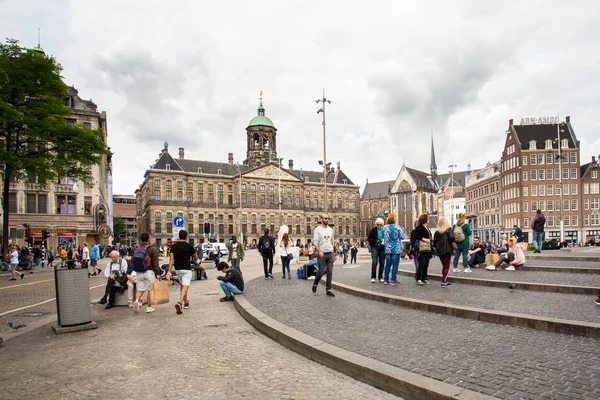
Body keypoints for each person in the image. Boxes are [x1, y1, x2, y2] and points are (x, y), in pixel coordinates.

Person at [166, 230, 197, 314]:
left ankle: (186, 303)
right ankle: (179, 302)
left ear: (179, 236)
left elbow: (171, 259)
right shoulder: (189, 246)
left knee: (183, 286)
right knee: (185, 286)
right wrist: (194, 260)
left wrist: (169, 271)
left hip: (177, 269)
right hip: (187, 269)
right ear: (186, 236)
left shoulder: (174, 247)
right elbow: (196, 257)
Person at [130, 232, 162, 313]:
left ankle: (137, 301)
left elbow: (132, 260)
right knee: (150, 290)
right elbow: (155, 263)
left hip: (139, 272)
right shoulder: (152, 249)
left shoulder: (136, 249)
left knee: (140, 289)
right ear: (148, 239)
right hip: (149, 272)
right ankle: (149, 306)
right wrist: (158, 274)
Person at [311, 214, 335, 297]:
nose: (327, 219)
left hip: (330, 253)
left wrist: (333, 251)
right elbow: (315, 242)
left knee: (330, 272)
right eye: (325, 218)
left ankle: (328, 290)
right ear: (321, 219)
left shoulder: (331, 230)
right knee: (321, 271)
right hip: (322, 254)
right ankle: (315, 283)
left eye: (328, 218)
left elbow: (332, 241)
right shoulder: (317, 230)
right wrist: (319, 251)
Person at [382, 213, 405, 285]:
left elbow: (382, 236)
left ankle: (386, 279)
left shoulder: (385, 227)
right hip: (396, 249)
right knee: (395, 265)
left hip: (388, 249)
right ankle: (393, 279)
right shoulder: (397, 227)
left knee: (388, 264)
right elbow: (402, 236)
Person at [433, 217, 455, 287]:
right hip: (447, 250)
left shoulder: (437, 232)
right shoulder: (449, 230)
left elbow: (434, 243)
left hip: (439, 250)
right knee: (447, 267)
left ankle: (445, 281)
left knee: (444, 266)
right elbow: (452, 238)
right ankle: (444, 281)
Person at [414, 214, 432, 285]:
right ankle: (418, 278)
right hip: (422, 248)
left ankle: (424, 278)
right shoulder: (419, 227)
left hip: (427, 248)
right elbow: (416, 235)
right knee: (422, 263)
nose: (429, 219)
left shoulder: (427, 227)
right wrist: (423, 239)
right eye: (428, 218)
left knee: (426, 264)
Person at [367, 218, 385, 283]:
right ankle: (373, 277)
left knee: (382, 263)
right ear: (376, 224)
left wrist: (383, 240)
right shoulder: (373, 230)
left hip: (382, 247)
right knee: (374, 262)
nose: (379, 226)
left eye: (380, 225)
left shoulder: (384, 230)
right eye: (378, 225)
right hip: (375, 247)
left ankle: (380, 277)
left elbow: (386, 238)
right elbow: (369, 239)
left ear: (382, 225)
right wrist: (375, 241)